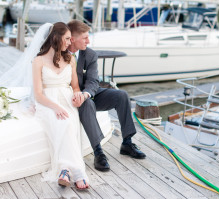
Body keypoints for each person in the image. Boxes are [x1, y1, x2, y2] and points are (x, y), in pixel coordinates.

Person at [67, 20, 146, 172]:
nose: (88, 41)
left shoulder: (89, 54)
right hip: (72, 99)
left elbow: (93, 81)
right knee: (88, 103)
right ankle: (98, 152)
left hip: (89, 93)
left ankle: (127, 143)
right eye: (84, 38)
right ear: (73, 39)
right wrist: (81, 96)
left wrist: (86, 93)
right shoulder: (61, 53)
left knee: (121, 95)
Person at [32, 22, 89, 190]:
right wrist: (55, 107)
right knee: (62, 121)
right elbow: (38, 94)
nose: (69, 42)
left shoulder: (70, 59)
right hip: (47, 102)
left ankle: (65, 170)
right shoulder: (38, 61)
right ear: (56, 38)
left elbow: (76, 87)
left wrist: (78, 95)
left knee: (70, 121)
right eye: (67, 39)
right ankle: (75, 170)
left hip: (67, 99)